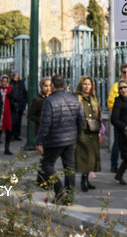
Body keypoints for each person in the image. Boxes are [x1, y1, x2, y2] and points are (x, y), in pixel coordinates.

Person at [36, 75, 85, 206]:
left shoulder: (49, 101)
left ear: (52, 85)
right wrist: (77, 135)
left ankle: (59, 191)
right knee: (69, 168)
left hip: (54, 140)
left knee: (47, 165)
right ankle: (69, 198)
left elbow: (45, 123)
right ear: (64, 85)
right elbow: (81, 120)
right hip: (70, 140)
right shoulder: (74, 100)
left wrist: (39, 141)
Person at [74, 76, 101, 192]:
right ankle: (83, 180)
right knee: (83, 157)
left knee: (91, 157)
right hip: (82, 131)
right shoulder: (77, 98)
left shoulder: (93, 97)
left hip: (93, 131)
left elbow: (97, 114)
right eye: (85, 84)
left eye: (89, 84)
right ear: (81, 85)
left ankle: (87, 180)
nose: (87, 86)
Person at [0, 75, 15, 156]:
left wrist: (11, 96)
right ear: (1, 81)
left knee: (8, 131)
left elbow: (15, 98)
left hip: (8, 113)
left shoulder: (11, 89)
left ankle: (7, 148)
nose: (5, 82)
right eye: (3, 81)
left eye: (6, 81)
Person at [10, 70, 28, 141]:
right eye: (13, 75)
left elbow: (24, 92)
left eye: (16, 75)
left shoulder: (21, 83)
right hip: (13, 105)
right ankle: (11, 135)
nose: (15, 76)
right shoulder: (10, 83)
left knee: (19, 121)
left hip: (20, 104)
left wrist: (25, 101)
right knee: (13, 121)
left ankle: (17, 135)